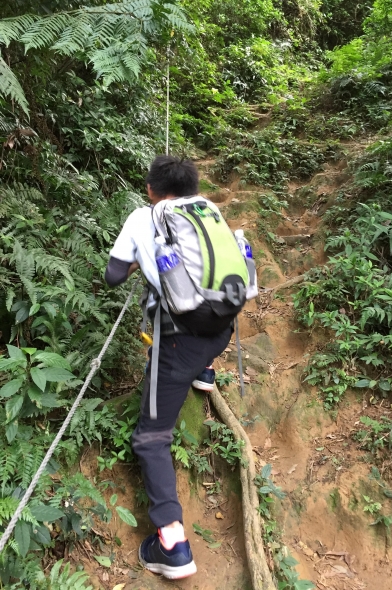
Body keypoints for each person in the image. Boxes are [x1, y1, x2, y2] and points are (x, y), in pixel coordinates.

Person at [104, 155, 232, 580]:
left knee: (152, 437)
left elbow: (113, 275)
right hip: (221, 330)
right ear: (194, 187)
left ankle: (172, 545)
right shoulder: (207, 209)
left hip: (177, 343)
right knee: (199, 350)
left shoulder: (143, 217)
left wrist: (140, 256)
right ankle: (205, 372)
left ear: (150, 189)